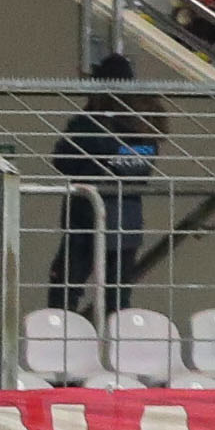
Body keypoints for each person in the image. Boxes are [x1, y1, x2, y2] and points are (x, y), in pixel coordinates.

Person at [46, 55, 161, 315]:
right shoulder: (144, 122)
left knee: (64, 290)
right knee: (117, 299)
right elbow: (139, 165)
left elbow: (63, 158)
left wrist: (96, 161)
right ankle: (114, 351)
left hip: (85, 220)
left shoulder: (89, 123)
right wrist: (113, 159)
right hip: (125, 223)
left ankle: (63, 347)